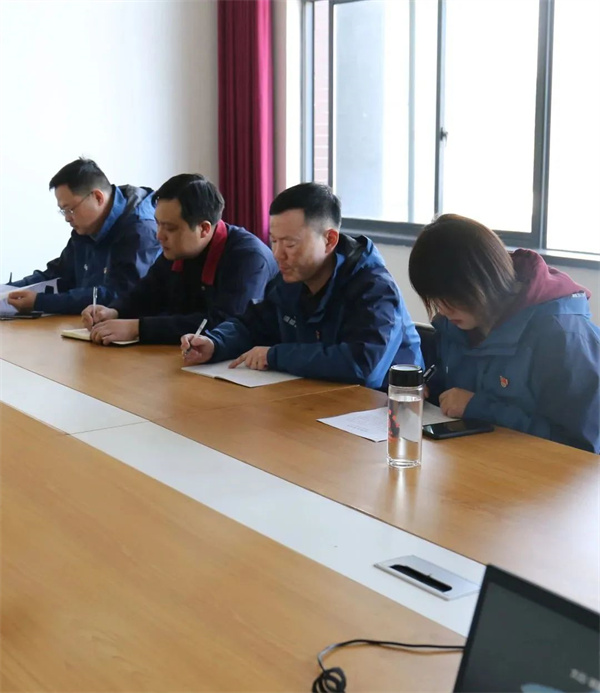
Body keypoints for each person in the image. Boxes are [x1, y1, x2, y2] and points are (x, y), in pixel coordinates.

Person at [181, 182, 422, 389]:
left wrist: (274, 355)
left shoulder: (374, 289)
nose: (278, 254)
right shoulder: (292, 279)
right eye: (274, 241)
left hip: (382, 412)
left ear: (329, 240)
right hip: (312, 398)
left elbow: (362, 366)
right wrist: (215, 343)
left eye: (290, 244)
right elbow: (254, 323)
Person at [408, 213, 600, 453]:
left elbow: (581, 447)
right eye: (435, 299)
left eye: (451, 296)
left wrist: (479, 408)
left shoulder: (563, 336)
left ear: (482, 280)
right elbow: (455, 394)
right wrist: (428, 391)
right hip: (472, 460)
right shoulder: (456, 326)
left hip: (537, 471)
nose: (443, 310)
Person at [81, 174, 278, 345]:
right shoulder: (178, 250)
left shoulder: (248, 258)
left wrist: (138, 328)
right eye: (158, 224)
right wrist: (113, 311)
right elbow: (146, 293)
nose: (159, 235)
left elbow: (225, 324)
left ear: (204, 229)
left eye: (170, 228)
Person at [7, 158, 160, 315]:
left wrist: (40, 302)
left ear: (98, 197)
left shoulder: (140, 230)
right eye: (63, 211)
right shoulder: (86, 228)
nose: (67, 218)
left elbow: (119, 295)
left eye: (70, 209)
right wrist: (7, 291)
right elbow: (57, 274)